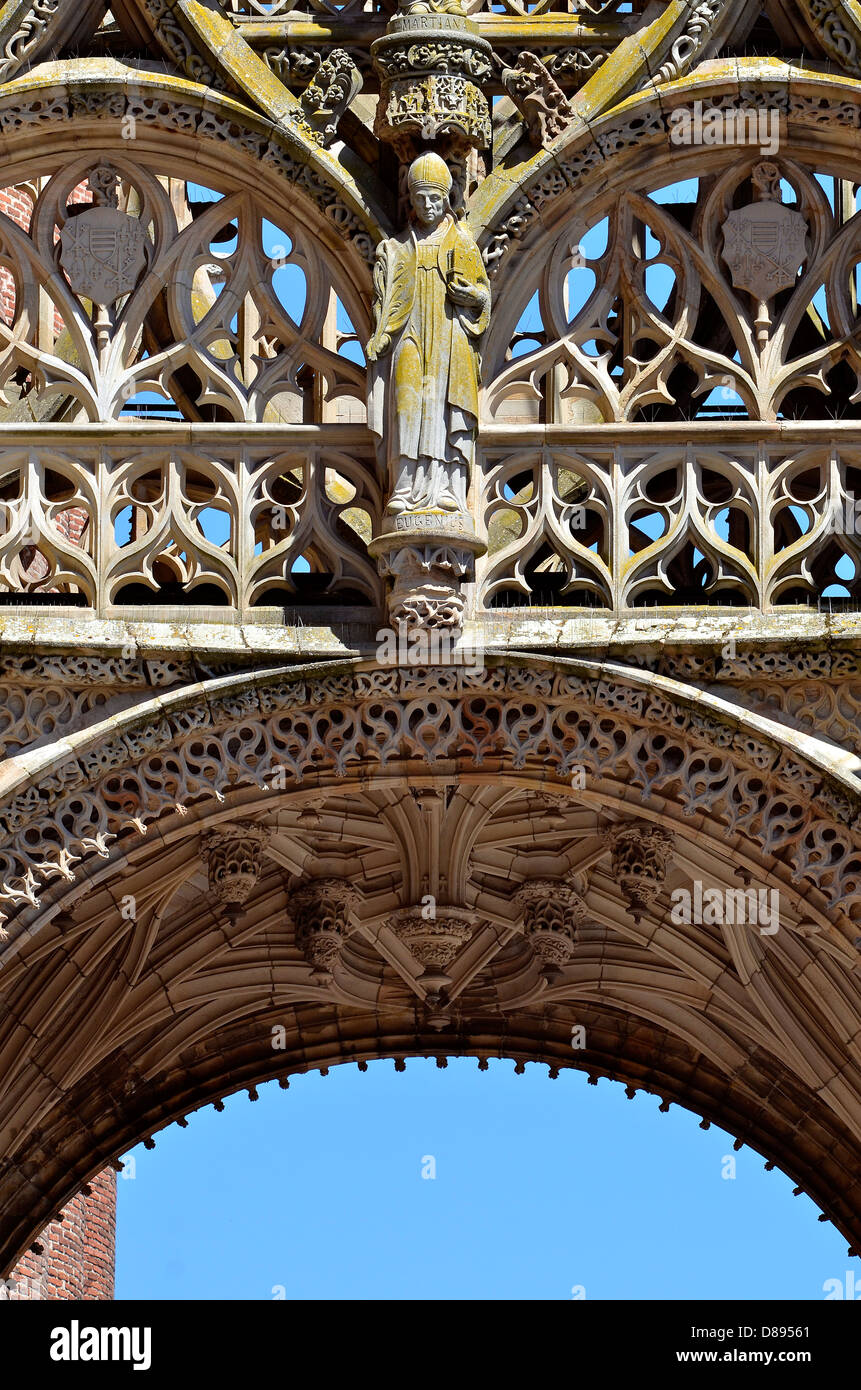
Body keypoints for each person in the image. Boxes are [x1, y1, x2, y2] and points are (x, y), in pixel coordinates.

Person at [367, 152, 490, 515]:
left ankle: (449, 486)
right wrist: (381, 335)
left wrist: (475, 297)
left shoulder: (462, 243)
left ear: (448, 198)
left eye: (435, 198)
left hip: (451, 339)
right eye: (420, 198)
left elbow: (482, 294)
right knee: (407, 404)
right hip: (409, 334)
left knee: (447, 406)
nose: (428, 205)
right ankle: (404, 485)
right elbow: (383, 302)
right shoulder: (396, 248)